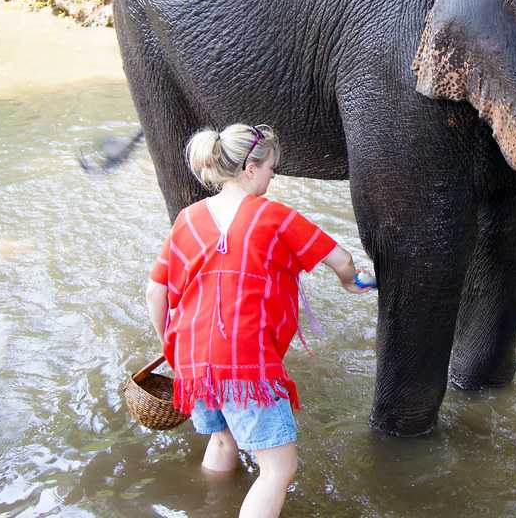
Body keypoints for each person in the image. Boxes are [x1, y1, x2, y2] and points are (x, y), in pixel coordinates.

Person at [143, 123, 374, 518]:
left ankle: (213, 506)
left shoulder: (188, 218)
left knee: (221, 440)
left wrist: (171, 345)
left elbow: (156, 291)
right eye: (270, 167)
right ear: (250, 169)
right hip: (245, 360)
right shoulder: (276, 217)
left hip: (193, 359)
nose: (273, 175)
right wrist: (352, 283)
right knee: (279, 469)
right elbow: (341, 259)